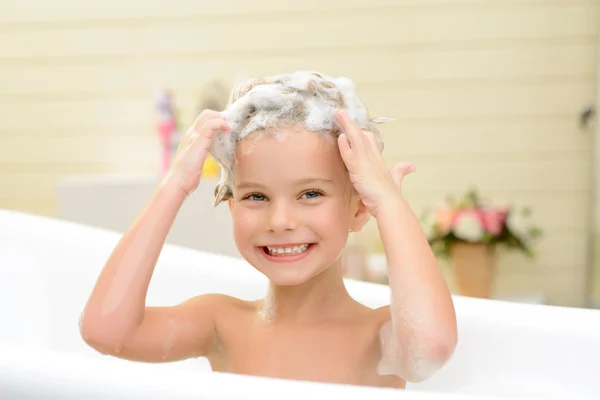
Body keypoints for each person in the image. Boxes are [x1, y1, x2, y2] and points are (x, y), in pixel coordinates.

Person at [80, 71, 457, 389]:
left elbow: (431, 348)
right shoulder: (220, 323)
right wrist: (175, 183)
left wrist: (389, 203)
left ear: (360, 209)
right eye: (256, 196)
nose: (279, 221)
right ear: (232, 209)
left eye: (310, 193)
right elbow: (105, 331)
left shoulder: (378, 337)